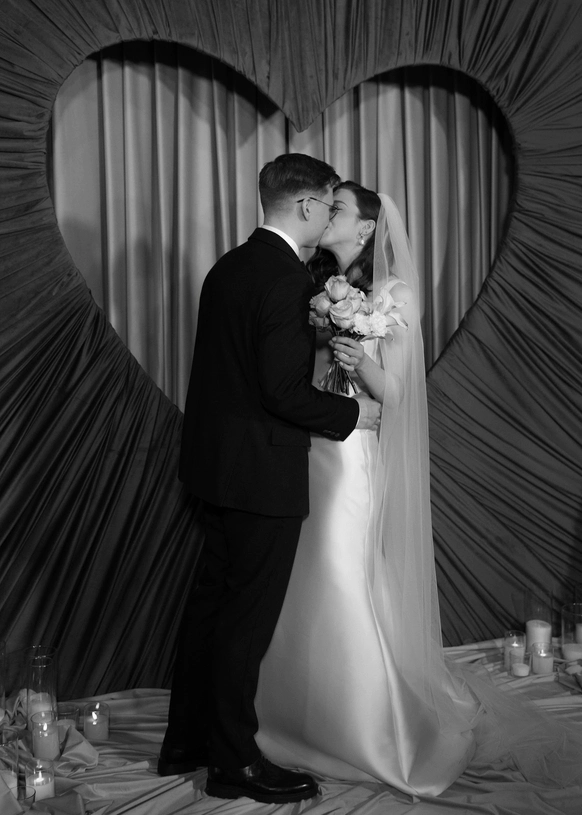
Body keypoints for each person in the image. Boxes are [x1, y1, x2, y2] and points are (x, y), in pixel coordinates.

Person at [158, 158, 382, 804]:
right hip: (261, 474)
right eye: (328, 204)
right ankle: (235, 763)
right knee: (244, 624)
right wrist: (354, 414)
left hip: (215, 468)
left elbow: (223, 377)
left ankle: (187, 741)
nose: (328, 215)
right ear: (307, 206)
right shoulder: (286, 280)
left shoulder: (228, 267)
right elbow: (283, 392)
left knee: (210, 609)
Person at [255, 181, 482, 794]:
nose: (328, 214)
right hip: (313, 446)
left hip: (355, 454)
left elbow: (403, 395)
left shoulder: (394, 294)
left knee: (341, 568)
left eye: (340, 208)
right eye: (325, 205)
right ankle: (293, 713)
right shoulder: (320, 286)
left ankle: (366, 725)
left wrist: (363, 363)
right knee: (303, 574)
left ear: (365, 228)